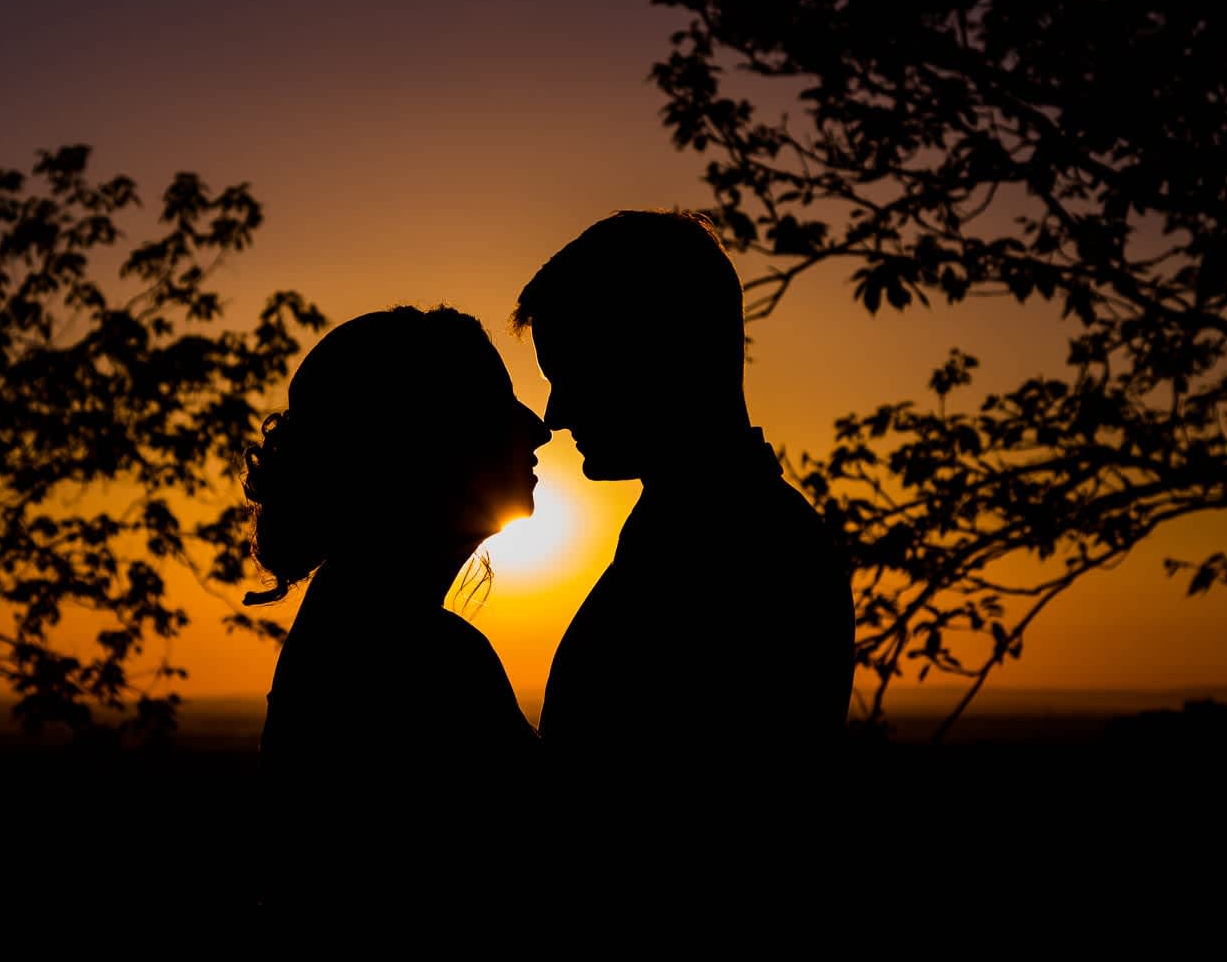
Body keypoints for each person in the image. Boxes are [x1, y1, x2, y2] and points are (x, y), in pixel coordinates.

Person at [512, 210, 853, 794]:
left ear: (658, 356)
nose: (555, 414)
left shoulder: (751, 553)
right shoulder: (692, 533)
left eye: (572, 376)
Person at [241, 305, 551, 913]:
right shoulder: (415, 655)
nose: (535, 427)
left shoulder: (362, 625)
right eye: (494, 404)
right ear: (422, 441)